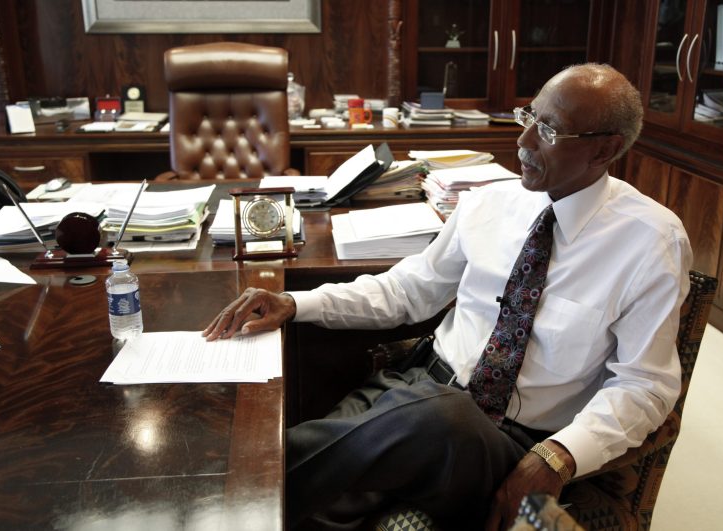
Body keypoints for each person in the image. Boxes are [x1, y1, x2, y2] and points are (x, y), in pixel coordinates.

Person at [204, 63, 692, 530]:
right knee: (333, 494)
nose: (521, 142)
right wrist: (296, 304)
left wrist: (558, 457)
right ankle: (238, 499)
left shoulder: (650, 241)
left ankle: (214, 494)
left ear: (604, 151)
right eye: (529, 118)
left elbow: (645, 385)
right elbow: (407, 291)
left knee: (436, 420)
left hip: (516, 441)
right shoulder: (489, 202)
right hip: (414, 392)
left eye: (548, 131)